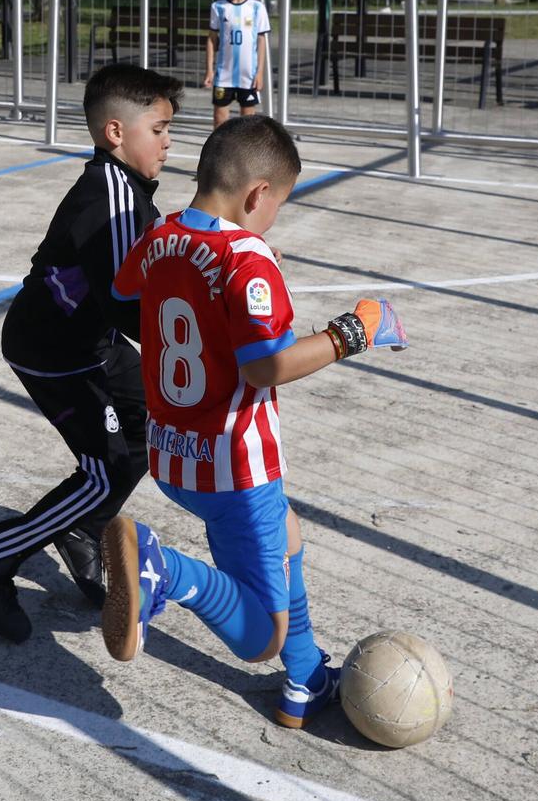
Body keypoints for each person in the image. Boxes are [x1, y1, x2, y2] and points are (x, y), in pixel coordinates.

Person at [102, 116, 406, 728]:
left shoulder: (161, 234)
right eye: (276, 209)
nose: (272, 225)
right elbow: (267, 367)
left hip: (173, 453)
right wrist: (354, 333)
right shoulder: (247, 257)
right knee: (257, 636)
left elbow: (126, 284)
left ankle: (306, 681)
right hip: (237, 464)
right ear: (257, 194)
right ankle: (164, 572)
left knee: (287, 538)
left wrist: (238, 263)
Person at [0, 62, 184, 643]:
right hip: (51, 351)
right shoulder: (111, 201)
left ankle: (81, 530)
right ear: (115, 132)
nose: (169, 141)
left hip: (90, 342)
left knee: (145, 435)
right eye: (157, 129)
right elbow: (130, 310)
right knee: (105, 472)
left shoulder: (129, 192)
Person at [203, 0, 272, 128]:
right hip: (224, 75)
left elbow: (261, 41)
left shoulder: (257, 8)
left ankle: (245, 155)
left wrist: (259, 73)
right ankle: (219, 154)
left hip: (247, 76)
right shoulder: (218, 7)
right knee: (220, 119)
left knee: (248, 122)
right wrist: (209, 71)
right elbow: (212, 39)